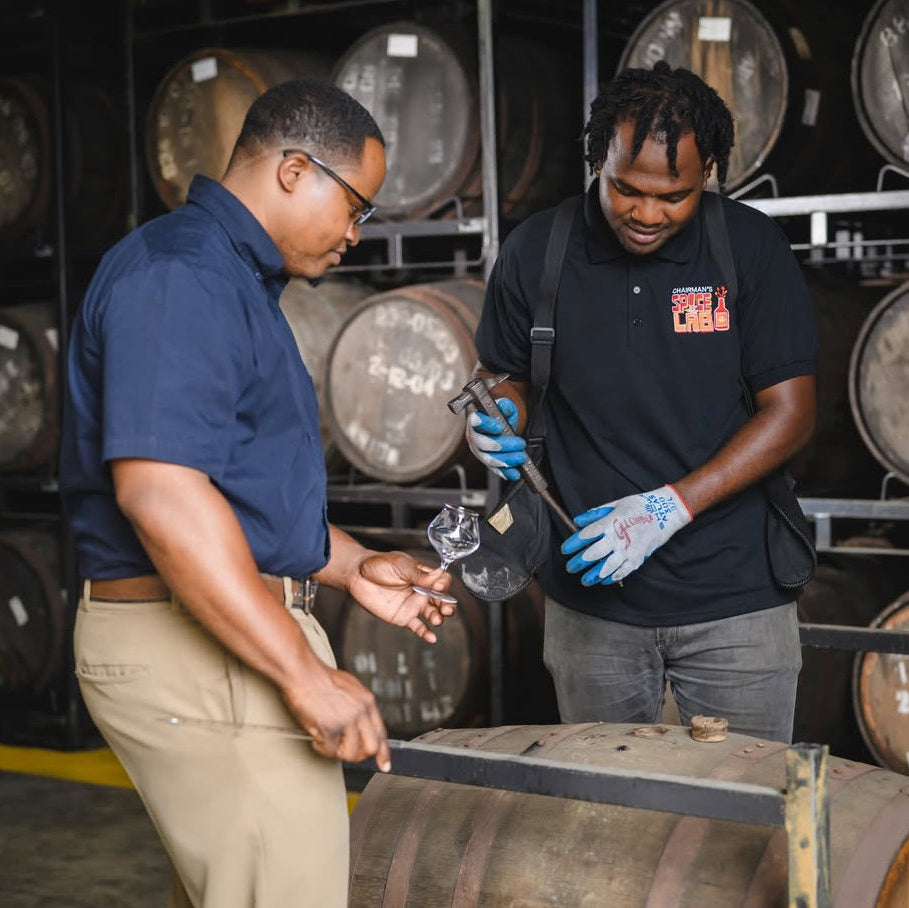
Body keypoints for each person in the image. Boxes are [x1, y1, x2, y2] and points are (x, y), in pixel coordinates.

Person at [59, 78, 454, 908]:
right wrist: (302, 674)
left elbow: (234, 495)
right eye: (354, 207)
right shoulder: (182, 279)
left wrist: (350, 568)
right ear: (292, 169)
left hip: (216, 636)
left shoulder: (227, 280)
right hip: (195, 647)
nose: (354, 233)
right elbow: (162, 495)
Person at [466, 61, 817, 744]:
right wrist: (497, 414)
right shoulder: (536, 250)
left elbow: (791, 413)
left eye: (673, 196)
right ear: (597, 159)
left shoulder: (747, 248)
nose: (646, 214)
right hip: (587, 599)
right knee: (607, 816)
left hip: (736, 600)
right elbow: (501, 372)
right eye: (626, 189)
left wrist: (669, 506)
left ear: (709, 171)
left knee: (745, 816)